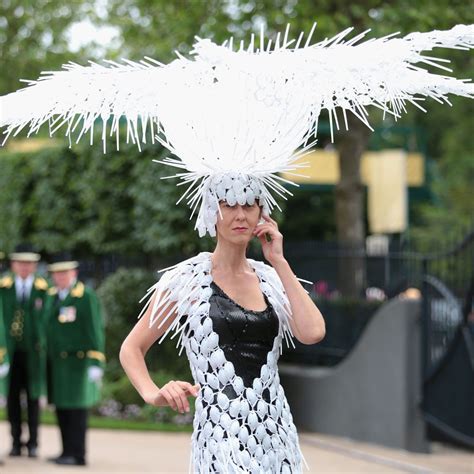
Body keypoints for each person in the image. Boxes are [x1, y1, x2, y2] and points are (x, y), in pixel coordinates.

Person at [120, 197, 326, 472]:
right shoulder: (186, 281)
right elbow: (131, 348)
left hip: (276, 435)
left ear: (262, 215)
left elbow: (313, 332)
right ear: (211, 213)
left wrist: (279, 260)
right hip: (219, 437)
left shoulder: (270, 278)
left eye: (249, 206)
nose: (240, 216)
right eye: (229, 205)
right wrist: (153, 393)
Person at [44, 256, 105, 467]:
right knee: (62, 408)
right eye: (56, 274)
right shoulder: (52, 296)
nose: (60, 277)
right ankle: (66, 451)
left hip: (78, 363)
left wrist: (97, 362)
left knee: (77, 410)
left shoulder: (84, 296)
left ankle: (78, 454)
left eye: (64, 273)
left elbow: (95, 330)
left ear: (74, 274)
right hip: (58, 364)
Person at [0, 244, 48, 458]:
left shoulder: (44, 288)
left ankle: (34, 442)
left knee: (33, 397)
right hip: (10, 352)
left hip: (34, 353)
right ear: (13, 264)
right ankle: (15, 441)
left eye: (29, 263)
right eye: (20, 263)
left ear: (34, 265)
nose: (24, 267)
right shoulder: (4, 287)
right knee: (12, 398)